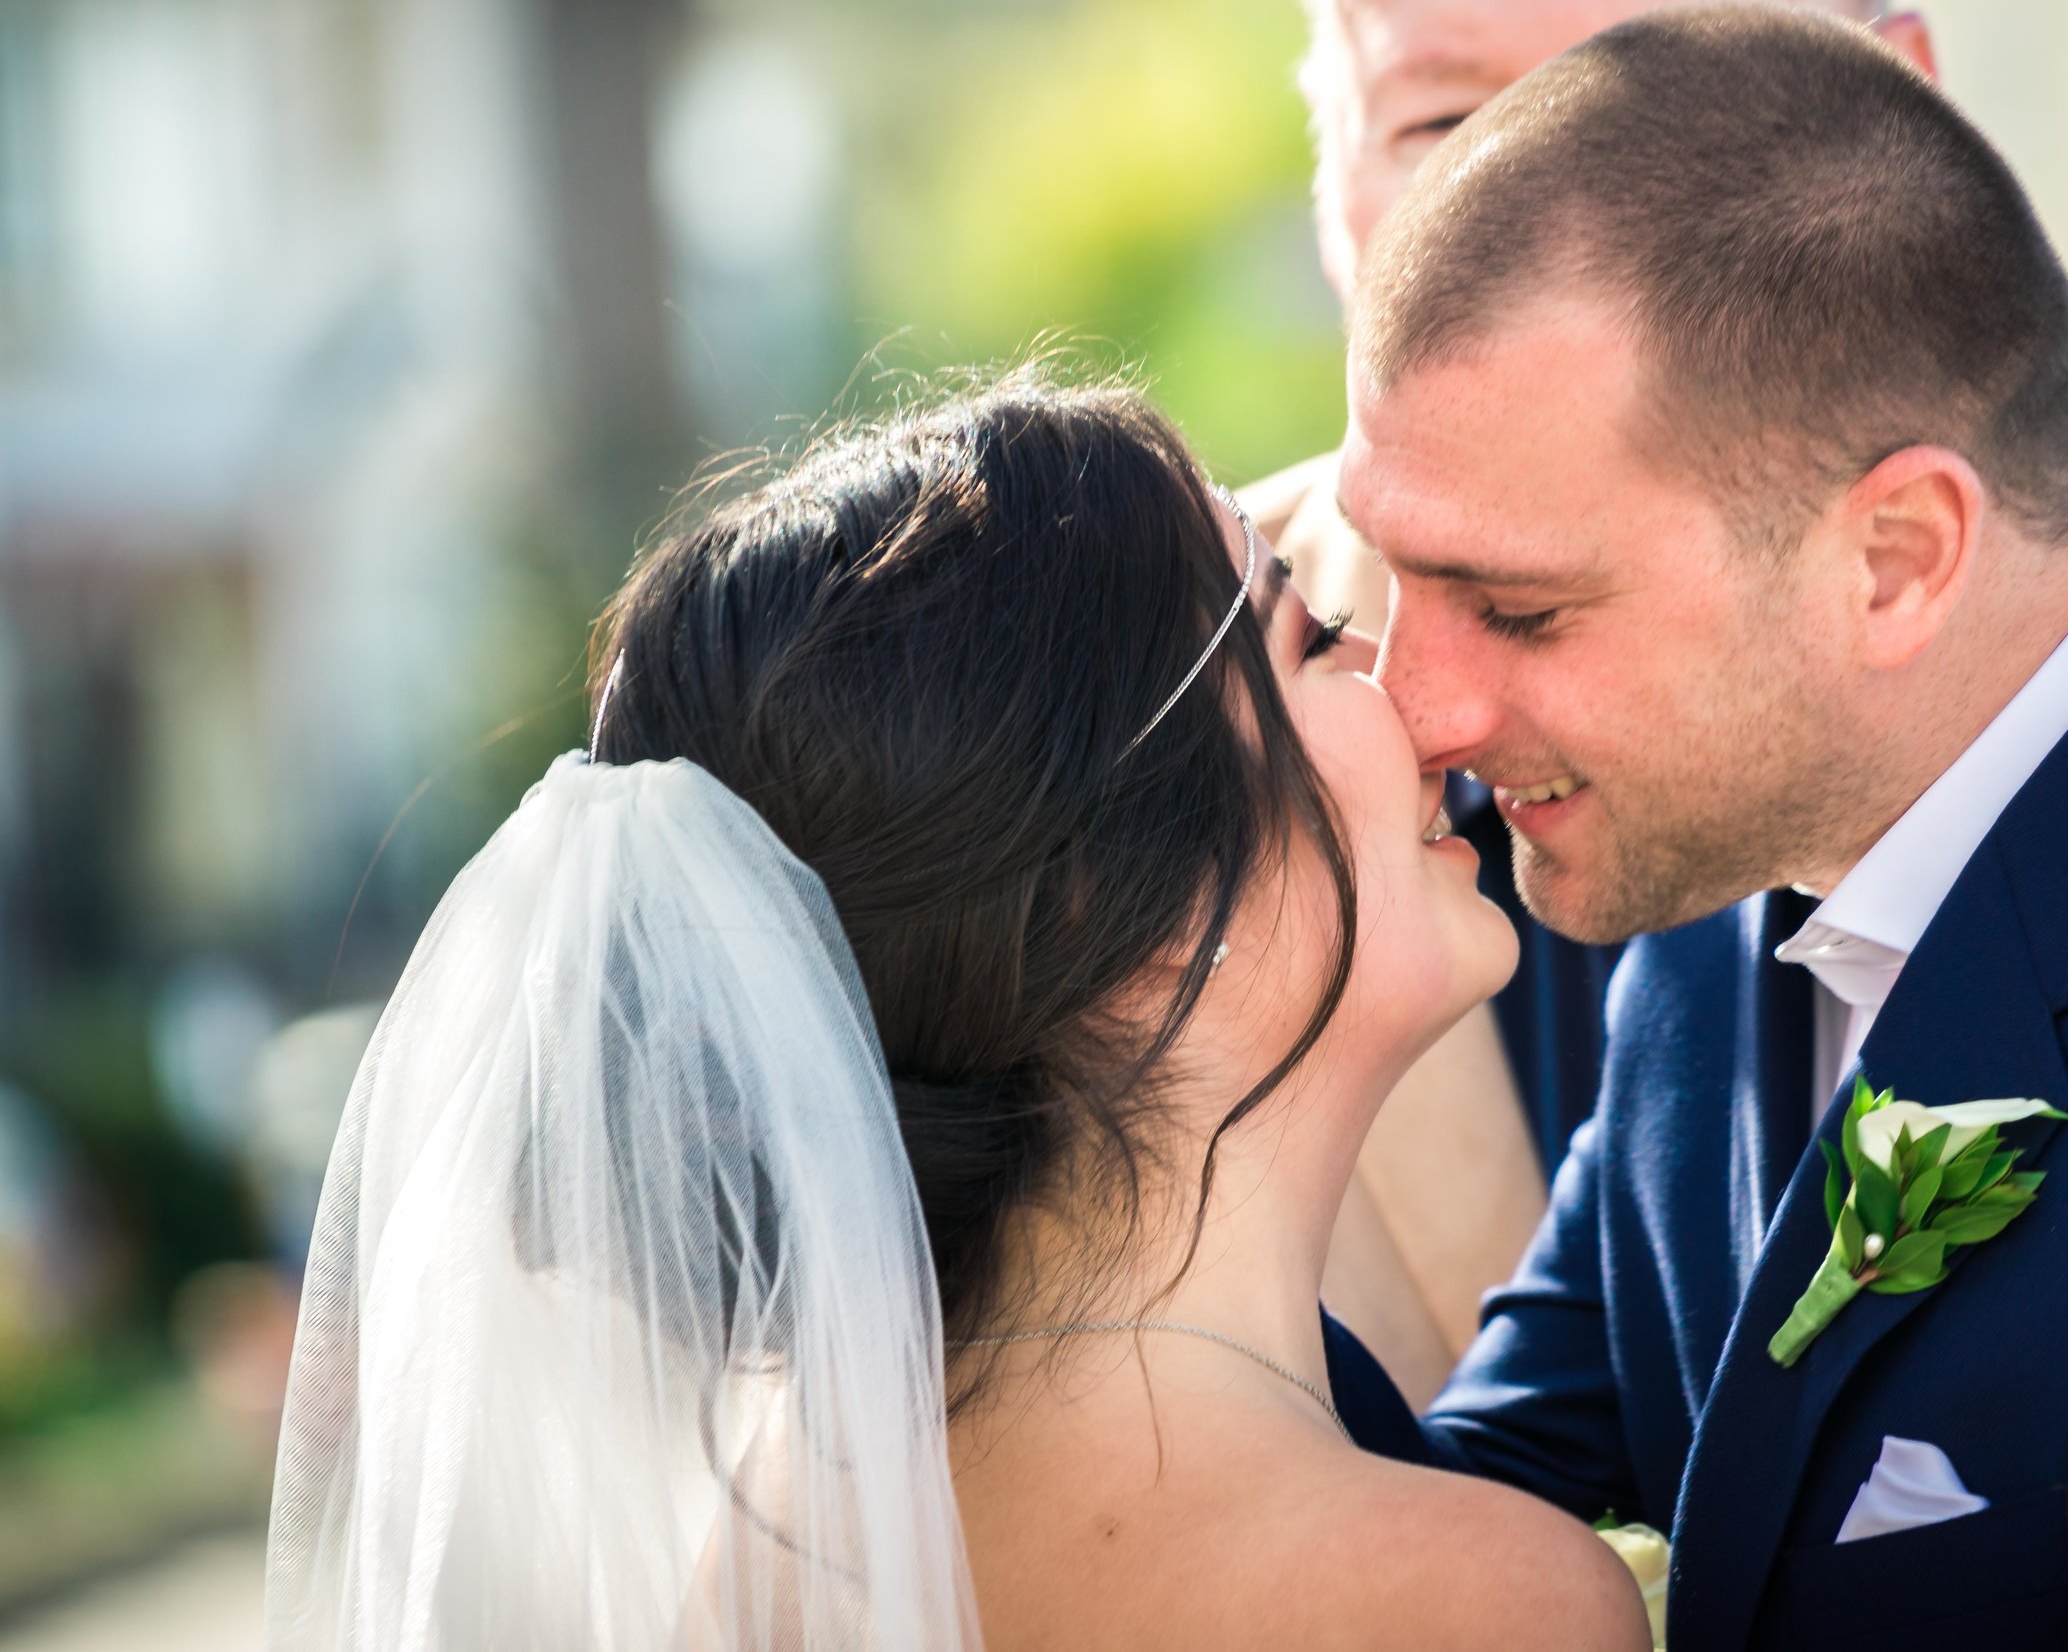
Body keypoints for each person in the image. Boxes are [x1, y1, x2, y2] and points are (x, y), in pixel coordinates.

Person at [1337, 4, 2068, 1645]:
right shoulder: (1734, 811)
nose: (1418, 709)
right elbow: (1484, 1498)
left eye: (1514, 609)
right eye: (1394, 575)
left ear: (1894, 557)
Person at [262, 375, 1651, 1651]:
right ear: (1128, 904)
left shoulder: (762, 1573)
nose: (1412, 695)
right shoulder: (1461, 1604)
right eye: (1311, 641)